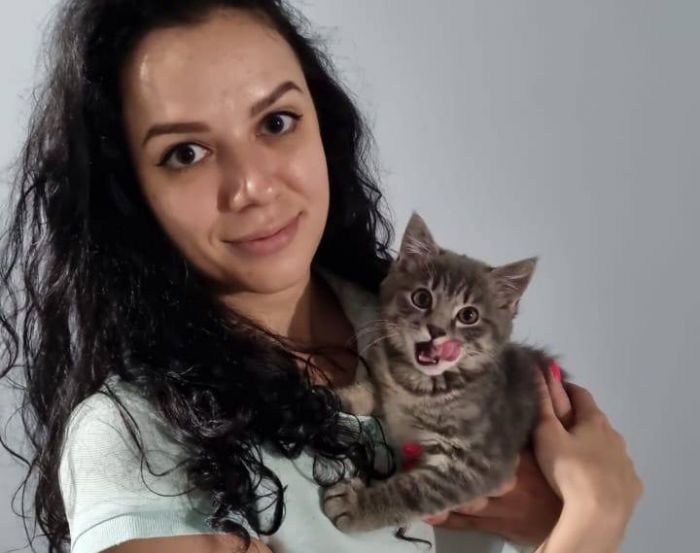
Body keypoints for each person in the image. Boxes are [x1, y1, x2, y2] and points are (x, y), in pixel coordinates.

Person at [0, 1, 643, 552]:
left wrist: (548, 524)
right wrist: (593, 516)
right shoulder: (134, 440)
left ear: (323, 124)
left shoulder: (439, 340)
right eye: (185, 153)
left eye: (276, 122)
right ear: (129, 193)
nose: (252, 186)